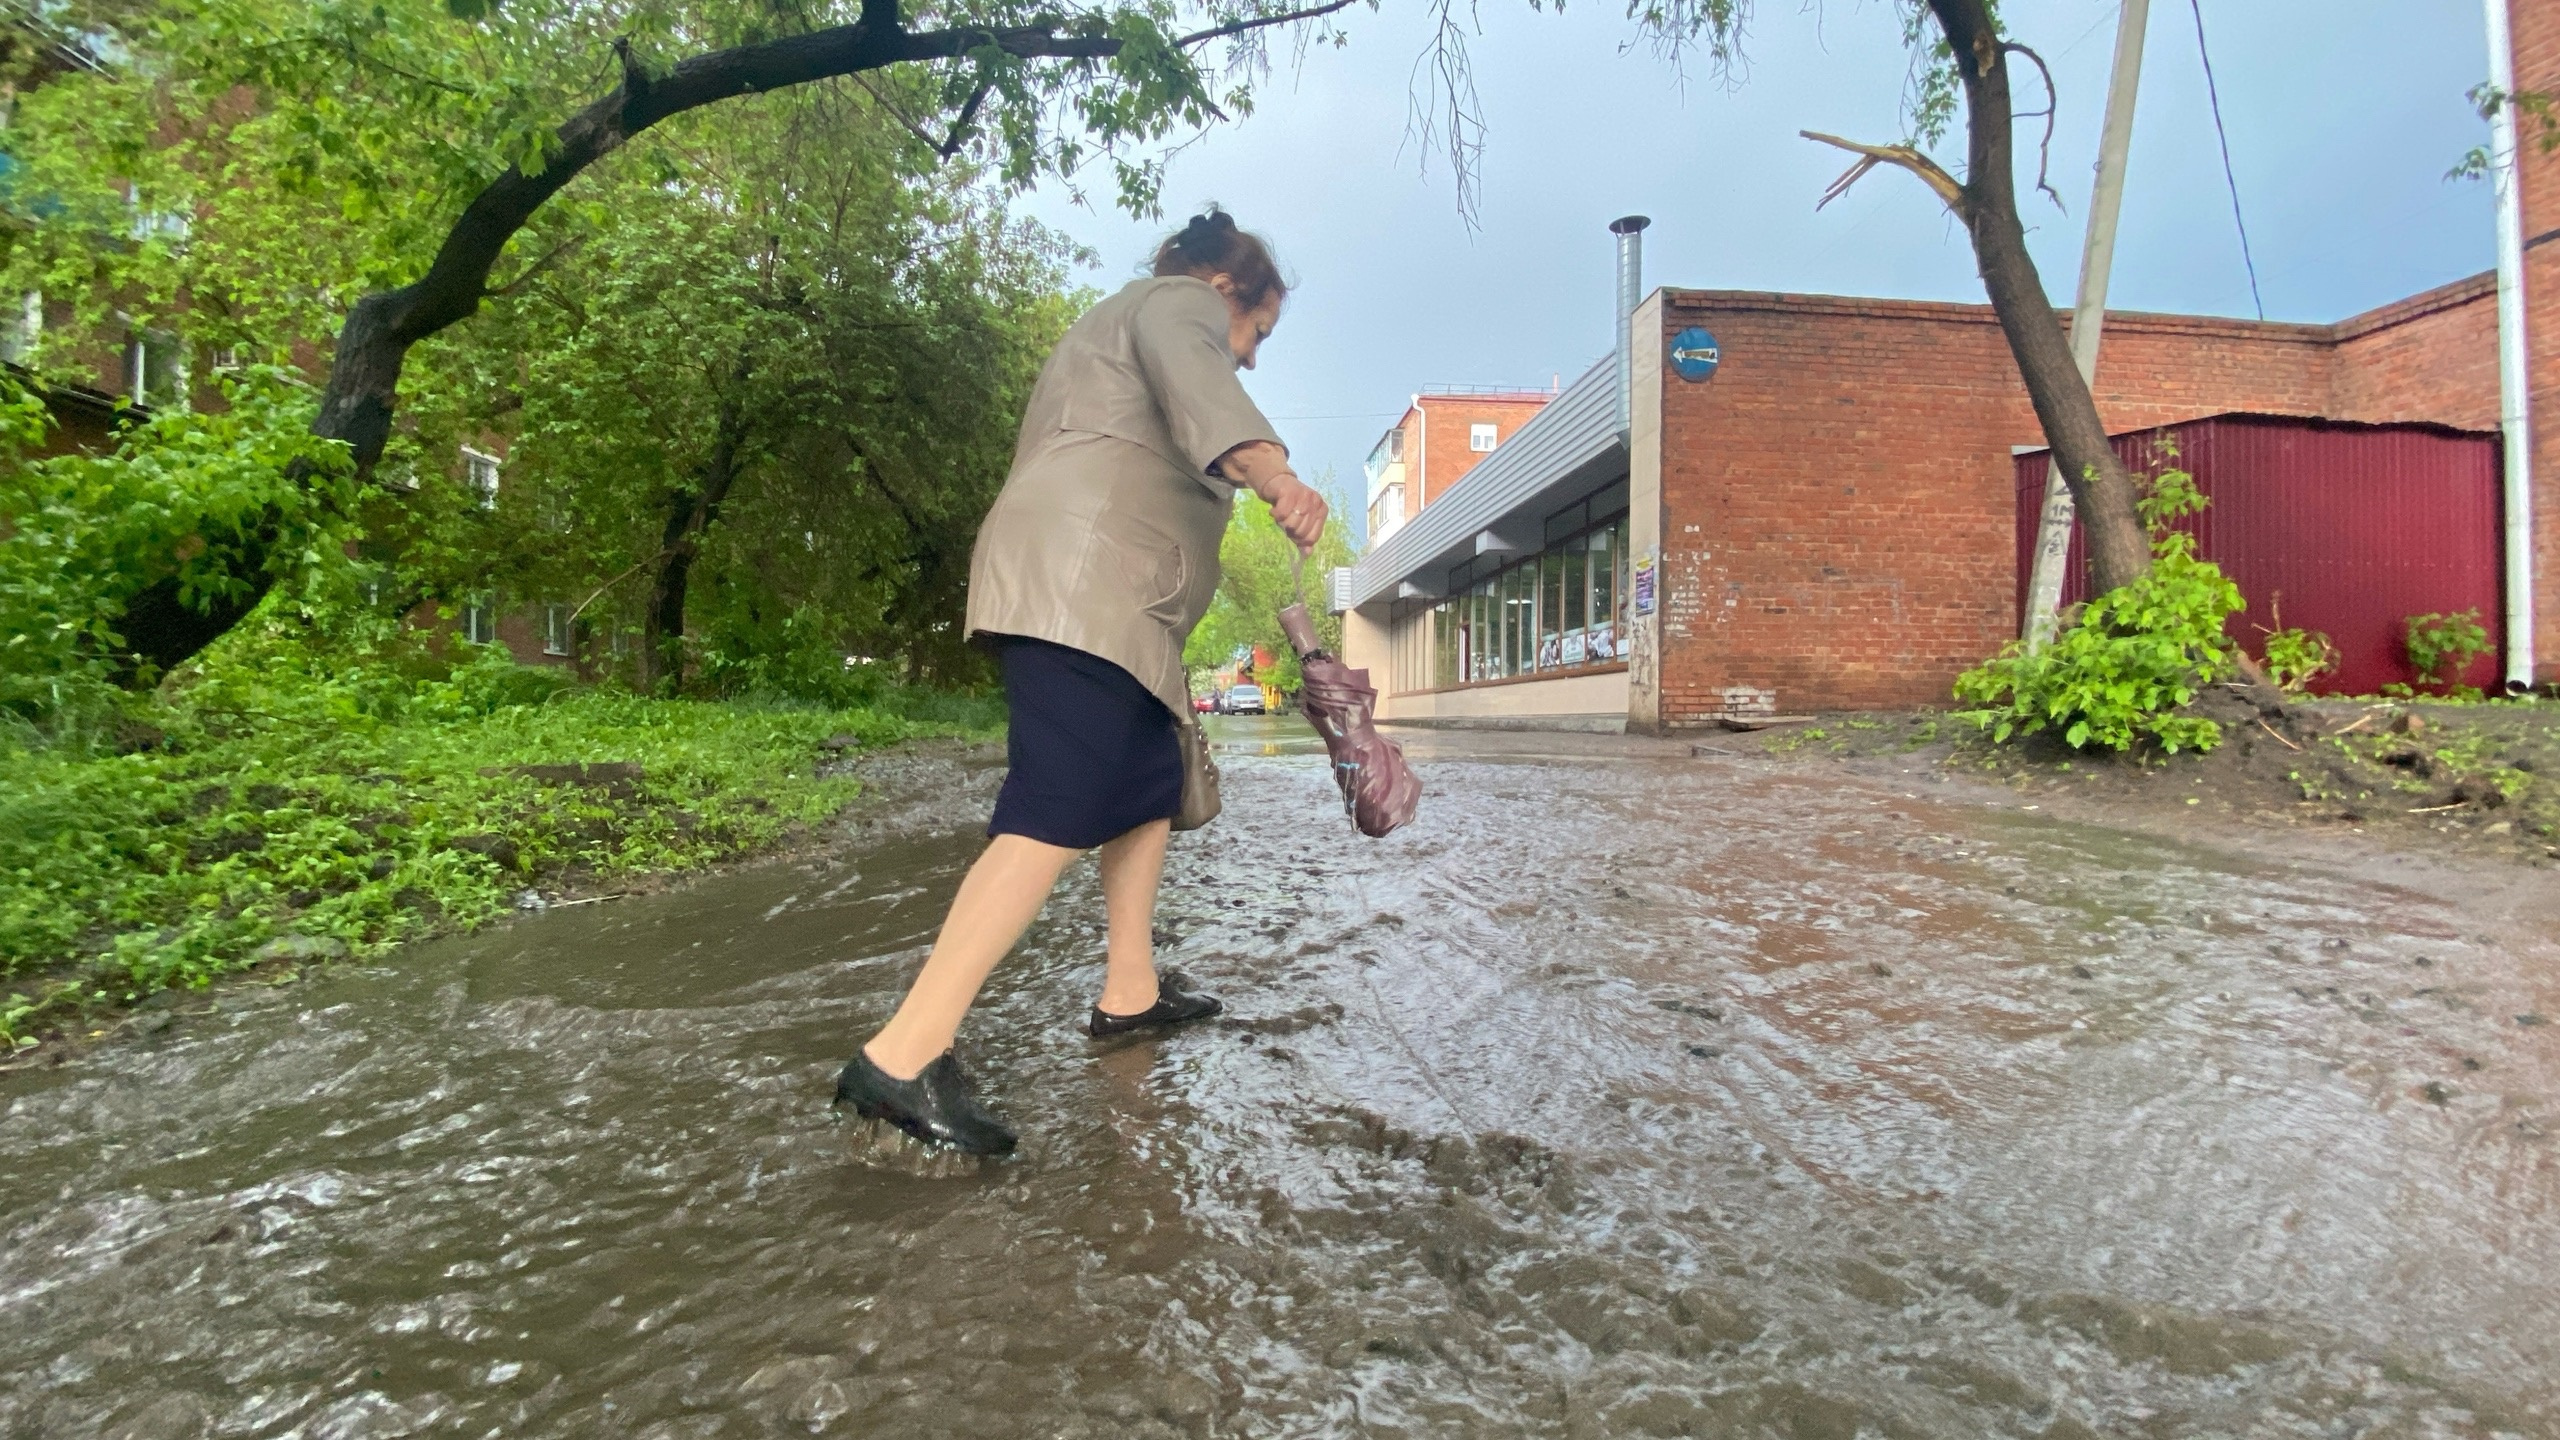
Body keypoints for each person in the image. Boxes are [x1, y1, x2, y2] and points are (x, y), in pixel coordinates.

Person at [833, 210, 1328, 1155]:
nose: (1253, 359)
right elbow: (1203, 385)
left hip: (1114, 596)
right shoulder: (1178, 302)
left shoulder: (1122, 320)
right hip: (1083, 582)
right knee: (1057, 804)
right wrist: (1277, 476)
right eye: (1258, 333)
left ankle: (1129, 991)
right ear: (1227, 291)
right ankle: (904, 1053)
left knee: (1144, 779)